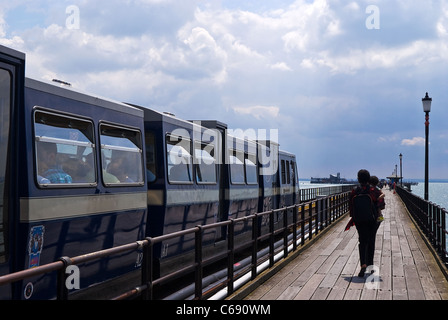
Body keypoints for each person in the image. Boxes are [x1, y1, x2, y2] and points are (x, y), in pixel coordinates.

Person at [349, 169, 382, 277]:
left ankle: (363, 264)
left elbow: (350, 206)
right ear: (369, 178)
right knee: (371, 241)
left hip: (359, 220)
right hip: (372, 219)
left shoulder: (355, 190)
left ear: (358, 179)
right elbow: (382, 203)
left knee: (362, 241)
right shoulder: (374, 189)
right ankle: (371, 265)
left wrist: (354, 216)